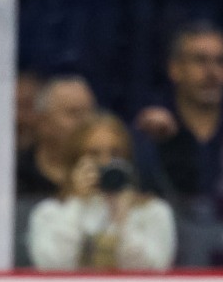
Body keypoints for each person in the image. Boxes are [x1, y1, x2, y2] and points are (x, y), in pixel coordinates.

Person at [27, 112, 174, 272]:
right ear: (76, 161)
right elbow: (52, 267)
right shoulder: (49, 213)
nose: (105, 162)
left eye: (115, 153)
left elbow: (153, 271)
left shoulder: (153, 211)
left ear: (127, 159)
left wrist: (122, 220)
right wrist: (76, 203)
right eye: (94, 154)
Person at [133, 21, 223, 214]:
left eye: (220, 61)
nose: (212, 72)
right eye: (200, 61)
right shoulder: (152, 135)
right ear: (175, 69)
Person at [18, 74, 95, 199]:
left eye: (89, 112)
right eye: (74, 113)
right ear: (44, 121)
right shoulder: (16, 173)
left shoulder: (104, 168)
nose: (86, 122)